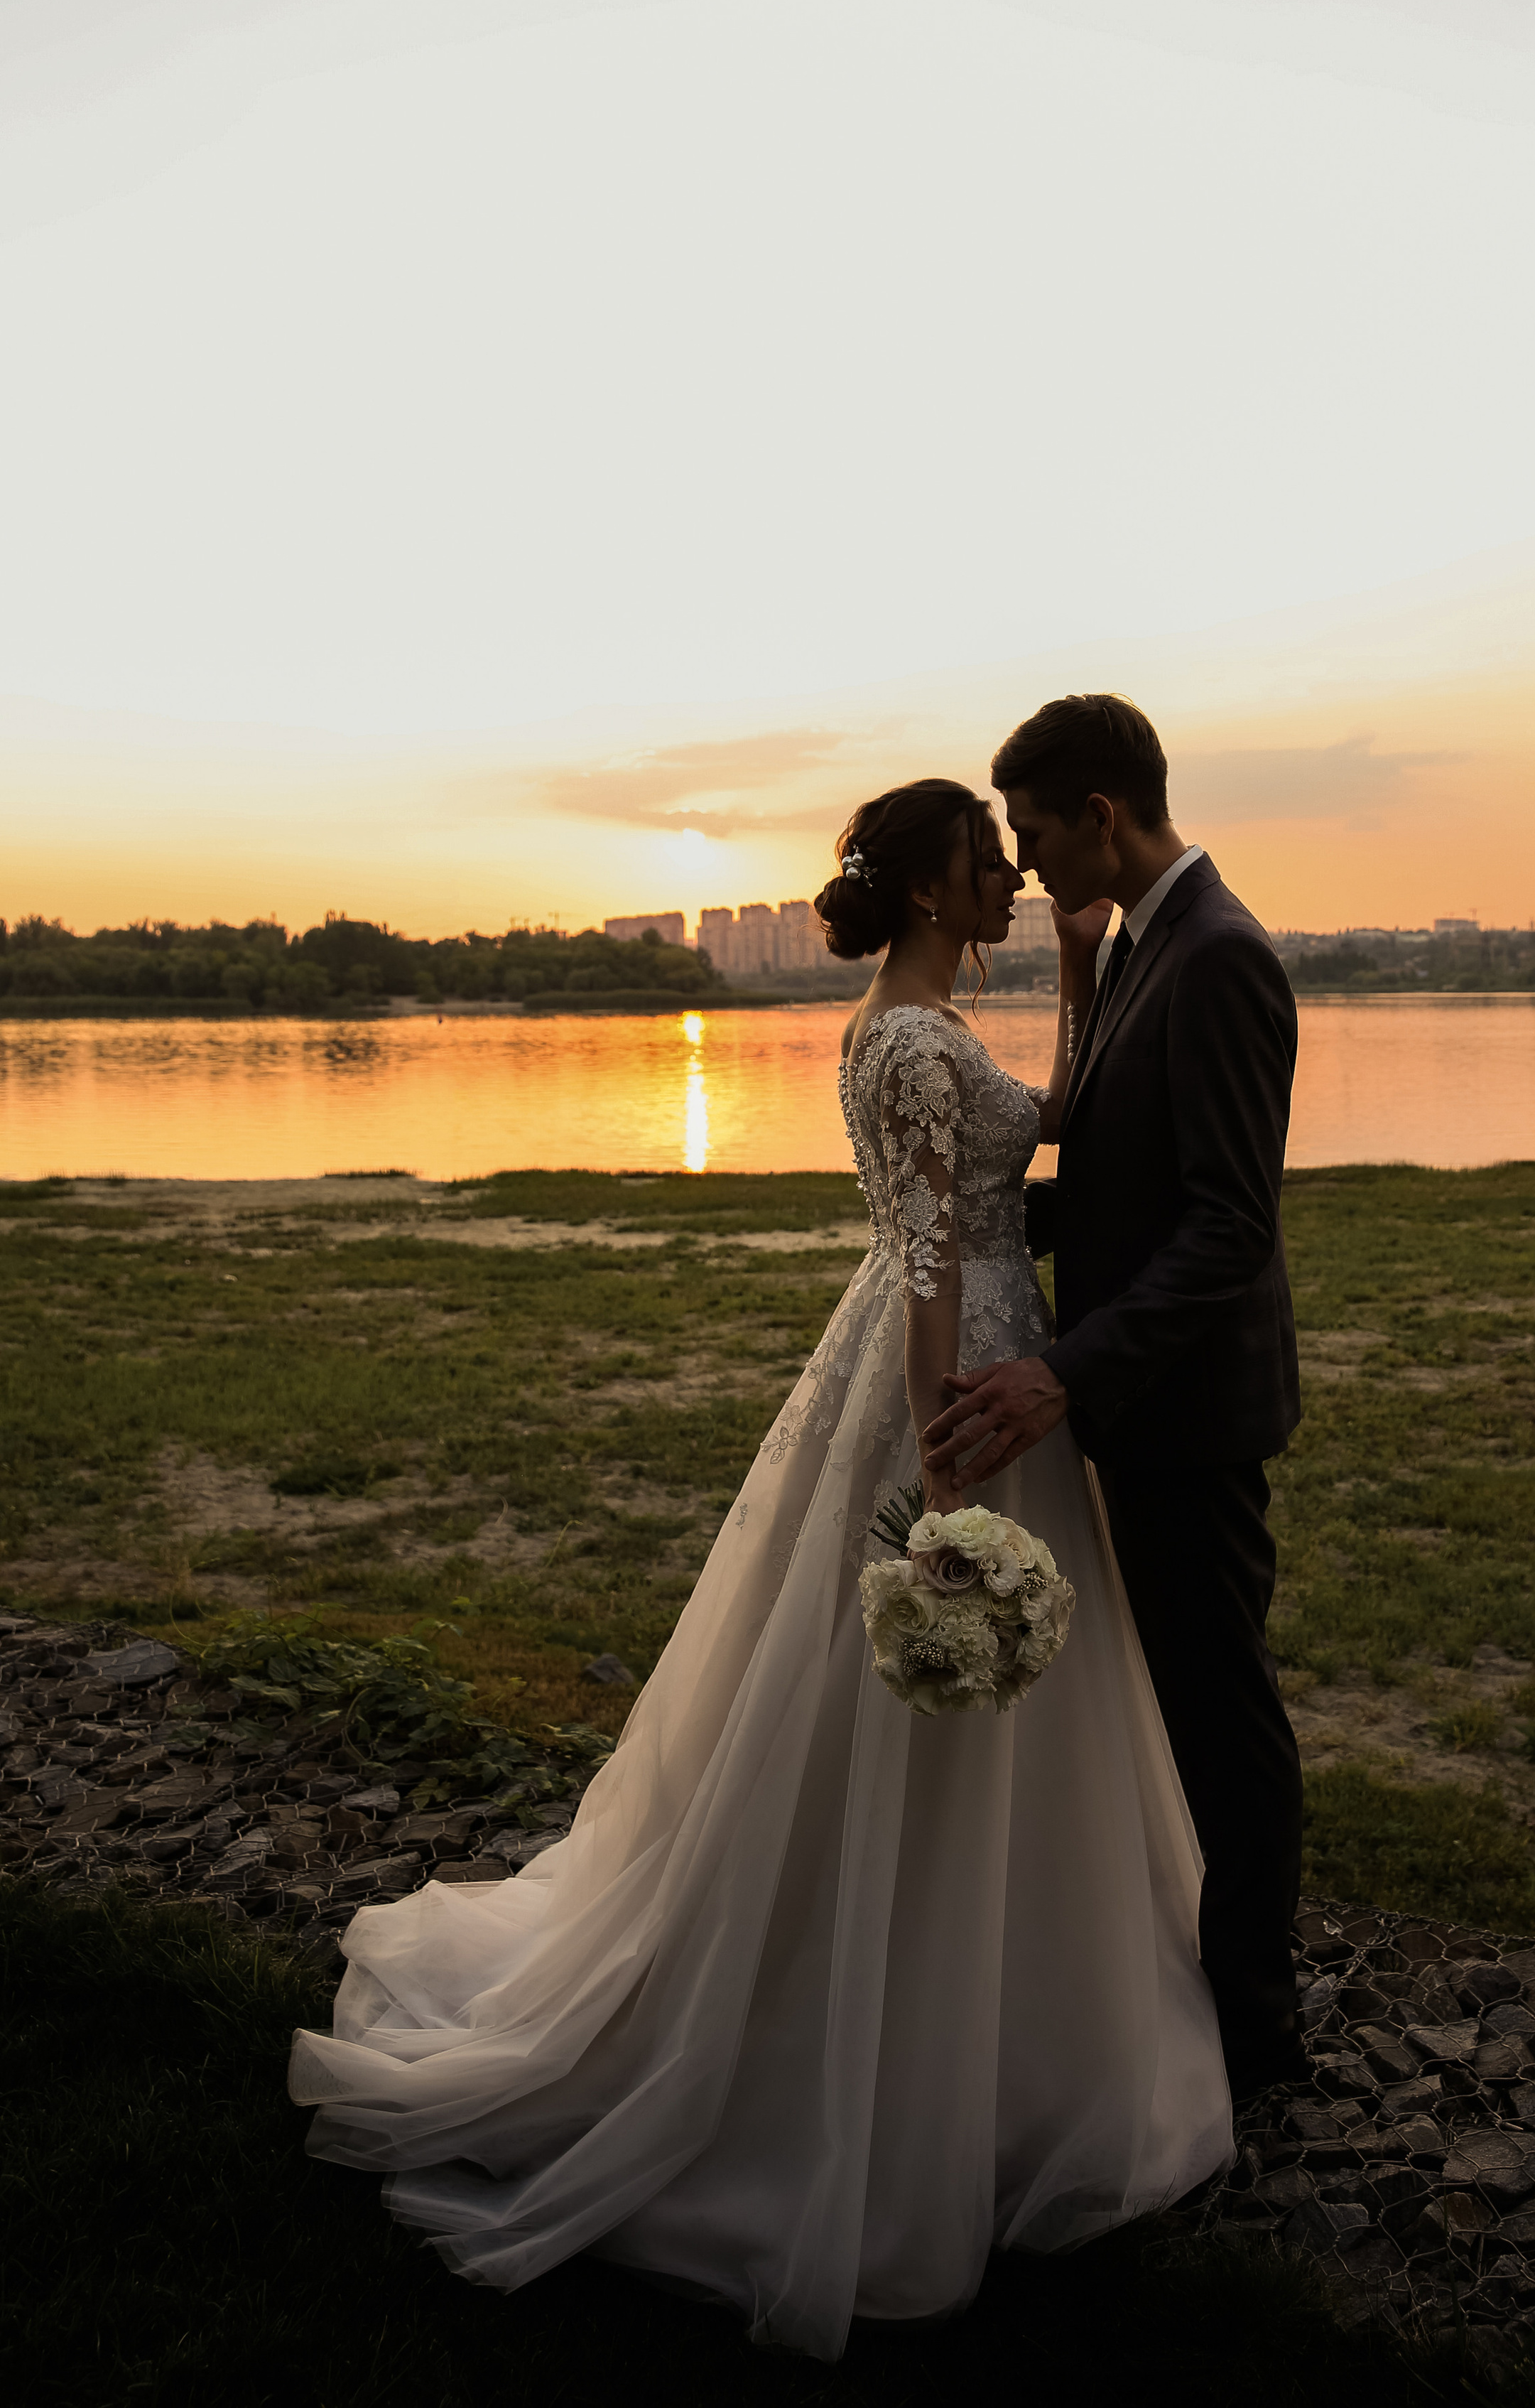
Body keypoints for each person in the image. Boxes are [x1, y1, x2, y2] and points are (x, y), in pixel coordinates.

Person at [290, 774, 1230, 2362]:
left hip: (967, 1349)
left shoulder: (900, 1027)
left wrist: (1076, 973)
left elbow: (1039, 1125)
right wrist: (941, 1445)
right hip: (959, 1370)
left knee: (988, 1709)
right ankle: (893, 2059)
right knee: (928, 1683)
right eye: (983, 863)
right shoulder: (912, 1041)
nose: (1007, 877)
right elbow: (934, 1252)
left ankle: (996, 2027)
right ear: (932, 889)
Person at [921, 696, 1306, 2103]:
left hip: (1188, 1410)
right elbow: (1121, 1172)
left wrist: (1059, 1369)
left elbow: (1223, 1227)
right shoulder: (1149, 943)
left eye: (1028, 828)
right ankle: (1214, 1994)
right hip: (1147, 1404)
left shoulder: (1217, 956)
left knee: (1220, 1711)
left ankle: (1257, 2039)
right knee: (1188, 1698)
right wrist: (967, 1224)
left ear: (1099, 814)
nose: (1021, 862)